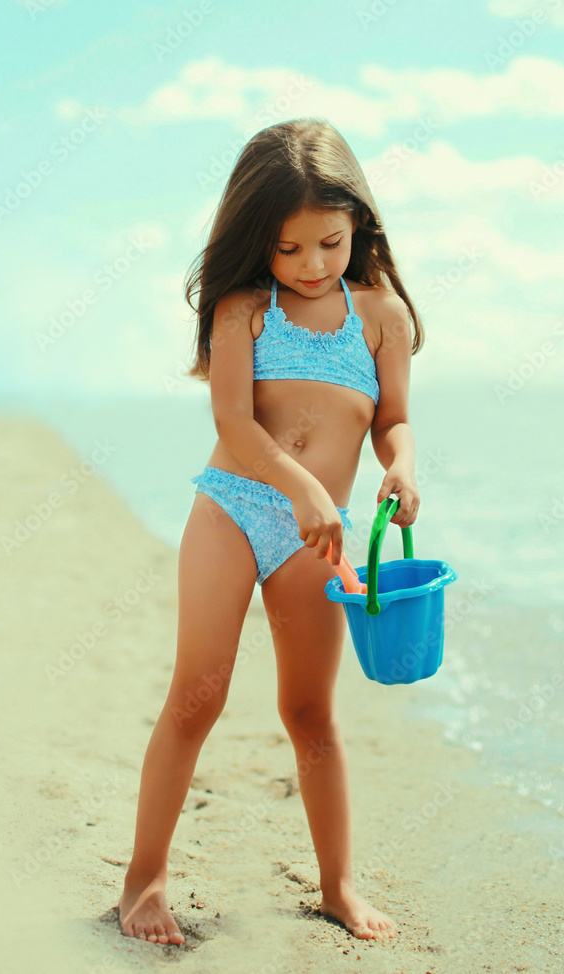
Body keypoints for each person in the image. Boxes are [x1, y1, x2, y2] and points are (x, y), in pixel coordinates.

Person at [118, 117, 425, 945]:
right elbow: (236, 424)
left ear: (357, 219)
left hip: (314, 539)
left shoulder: (380, 315)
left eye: (328, 241)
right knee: (196, 695)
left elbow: (393, 420)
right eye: (288, 249)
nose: (312, 265)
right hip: (235, 507)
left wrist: (402, 467)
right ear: (259, 243)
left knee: (311, 714)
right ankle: (142, 885)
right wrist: (298, 488)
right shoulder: (244, 308)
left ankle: (338, 886)